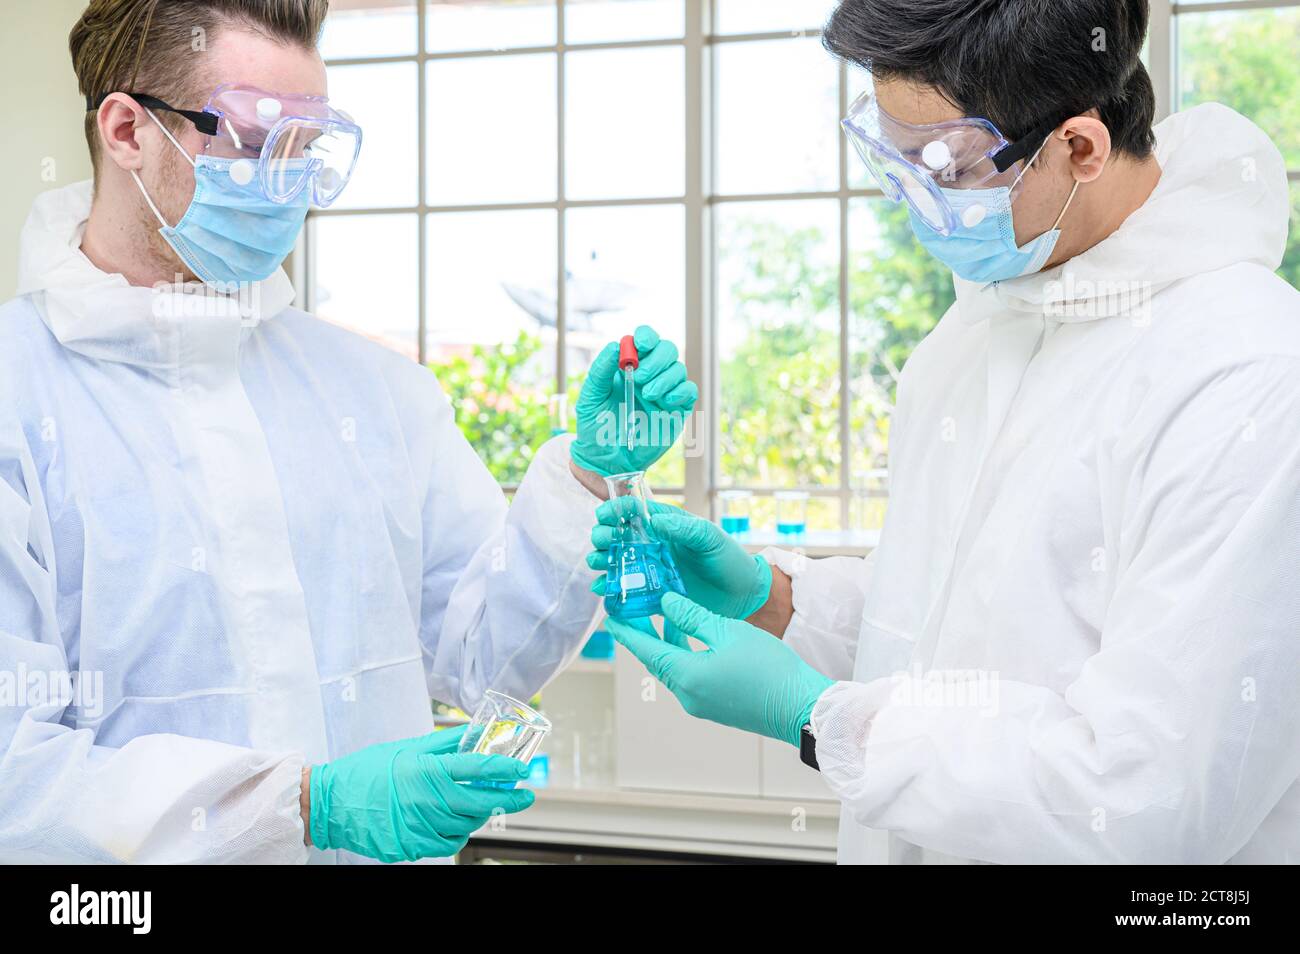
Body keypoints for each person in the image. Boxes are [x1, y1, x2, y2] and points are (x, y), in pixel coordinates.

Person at [600, 0, 1300, 864]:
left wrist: (824, 722)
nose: (912, 200)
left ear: (1078, 146)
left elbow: (1146, 797)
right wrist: (771, 599)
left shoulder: (1248, 377)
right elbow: (947, 632)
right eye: (892, 156)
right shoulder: (979, 336)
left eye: (944, 166)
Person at [0, 0, 697, 864]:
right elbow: (14, 779)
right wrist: (301, 806)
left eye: (308, 146)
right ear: (127, 130)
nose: (288, 181)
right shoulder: (16, 399)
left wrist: (587, 475)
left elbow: (486, 662)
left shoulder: (374, 392)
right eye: (258, 141)